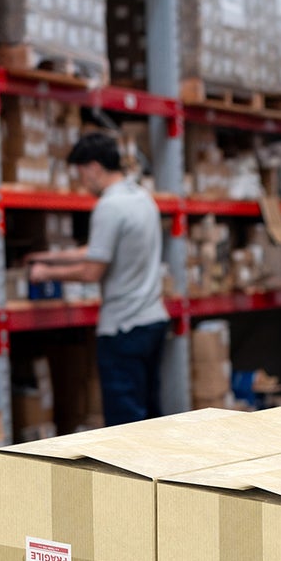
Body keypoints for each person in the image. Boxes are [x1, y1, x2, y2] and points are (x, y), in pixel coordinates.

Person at [27, 131, 170, 426]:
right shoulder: (142, 198)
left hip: (123, 327)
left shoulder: (109, 206)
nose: (82, 182)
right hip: (152, 319)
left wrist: (46, 273)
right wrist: (50, 256)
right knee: (150, 418)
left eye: (81, 174)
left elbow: (92, 271)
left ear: (94, 168)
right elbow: (99, 250)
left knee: (125, 424)